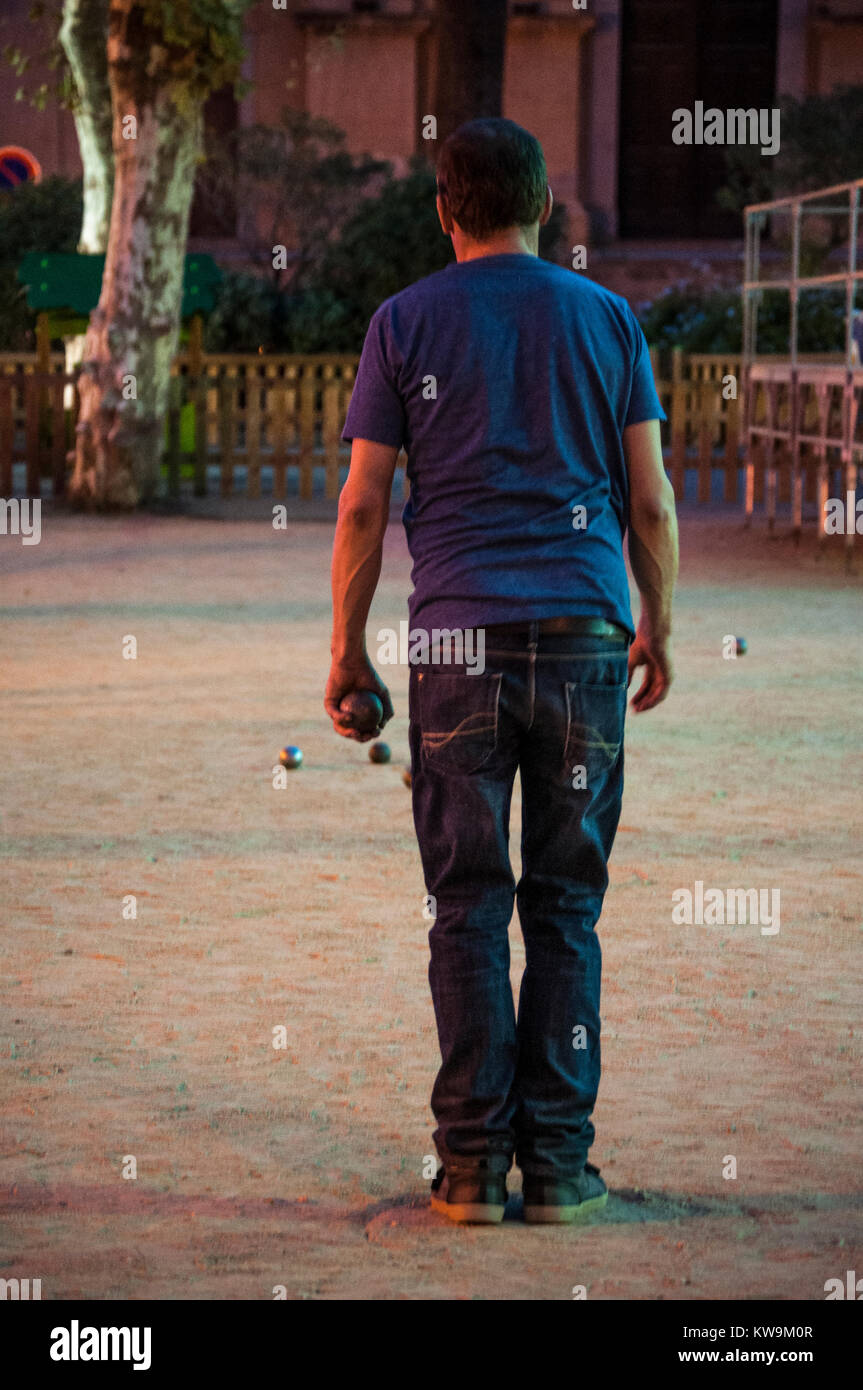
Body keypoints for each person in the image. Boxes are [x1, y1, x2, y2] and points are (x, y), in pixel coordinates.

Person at [325, 118, 678, 1225]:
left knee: (464, 905)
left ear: (443, 209)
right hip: (580, 635)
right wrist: (654, 624)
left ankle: (472, 1167)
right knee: (565, 906)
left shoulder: (402, 322)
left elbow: (362, 505)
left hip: (453, 643)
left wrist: (348, 648)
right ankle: (561, 1168)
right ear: (546, 209)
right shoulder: (605, 318)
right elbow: (652, 499)